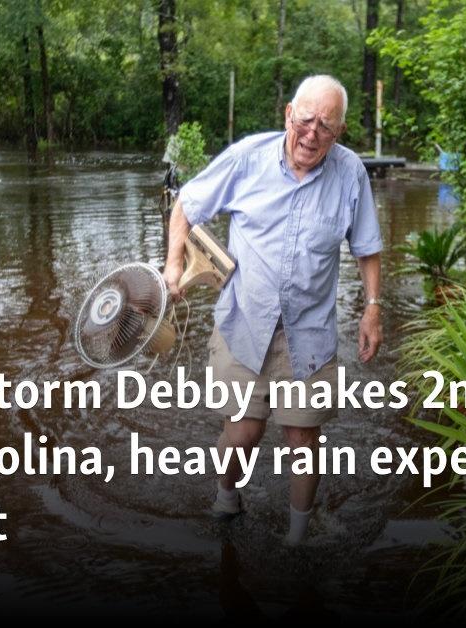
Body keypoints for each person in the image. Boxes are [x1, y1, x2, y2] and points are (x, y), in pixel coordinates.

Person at [162, 75, 383, 546]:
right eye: (305, 119)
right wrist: (173, 264)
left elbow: (366, 247)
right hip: (244, 322)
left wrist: (372, 309)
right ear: (288, 113)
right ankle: (227, 495)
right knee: (242, 432)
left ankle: (298, 535)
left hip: (310, 333)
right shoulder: (247, 159)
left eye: (326, 125)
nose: (312, 133)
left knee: (303, 439)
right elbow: (187, 204)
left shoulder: (351, 174)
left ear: (339, 132)